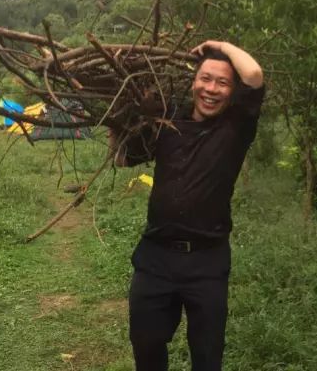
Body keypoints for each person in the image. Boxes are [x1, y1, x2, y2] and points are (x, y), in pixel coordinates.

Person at [111, 40, 265, 371]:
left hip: (207, 262)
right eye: (205, 79)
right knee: (146, 345)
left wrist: (219, 45)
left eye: (222, 82)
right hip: (156, 256)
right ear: (192, 82)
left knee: (207, 357)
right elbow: (123, 157)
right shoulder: (167, 124)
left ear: (232, 91)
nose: (211, 89)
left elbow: (253, 73)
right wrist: (117, 118)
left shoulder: (236, 128)